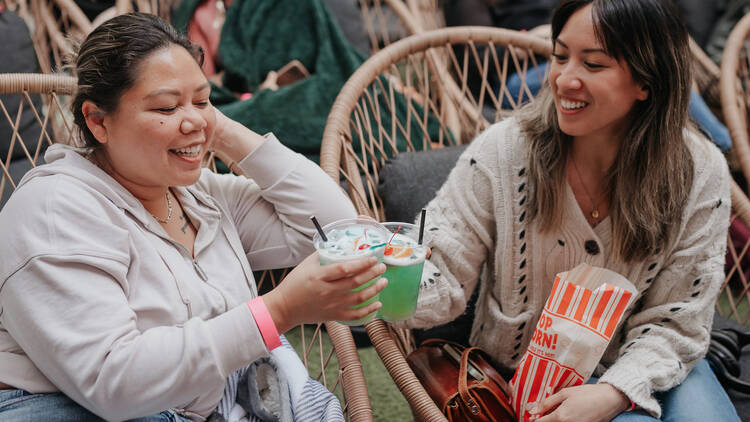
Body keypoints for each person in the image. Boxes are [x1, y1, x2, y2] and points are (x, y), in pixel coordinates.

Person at [0, 12, 387, 421]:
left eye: (202, 100)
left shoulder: (196, 193)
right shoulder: (54, 210)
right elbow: (114, 383)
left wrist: (218, 129)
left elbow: (330, 226)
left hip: (195, 407)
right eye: (166, 106)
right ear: (98, 121)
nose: (194, 120)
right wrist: (279, 311)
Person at [404, 0, 740, 421]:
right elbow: (444, 273)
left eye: (593, 64)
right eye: (560, 56)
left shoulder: (700, 171)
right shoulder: (505, 151)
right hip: (524, 382)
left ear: (646, 81)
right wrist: (385, 271)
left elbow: (677, 323)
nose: (564, 79)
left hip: (651, 365)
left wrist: (615, 392)